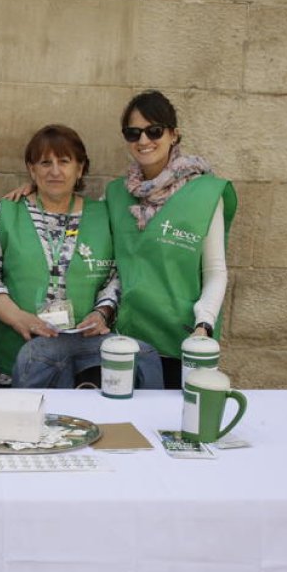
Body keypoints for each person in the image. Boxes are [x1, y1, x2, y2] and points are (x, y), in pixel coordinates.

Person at [0, 124, 162, 388]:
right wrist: (18, 318)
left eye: (64, 161)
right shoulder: (7, 211)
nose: (55, 171)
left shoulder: (104, 215)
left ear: (80, 168)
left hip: (85, 359)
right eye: (45, 163)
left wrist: (102, 313)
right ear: (32, 169)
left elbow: (118, 276)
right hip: (14, 354)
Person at [107, 90, 237, 387]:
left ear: (174, 135)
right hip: (124, 343)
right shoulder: (115, 195)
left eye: (154, 131)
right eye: (133, 133)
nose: (143, 141)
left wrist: (204, 324)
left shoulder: (205, 194)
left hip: (183, 341)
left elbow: (215, 271)